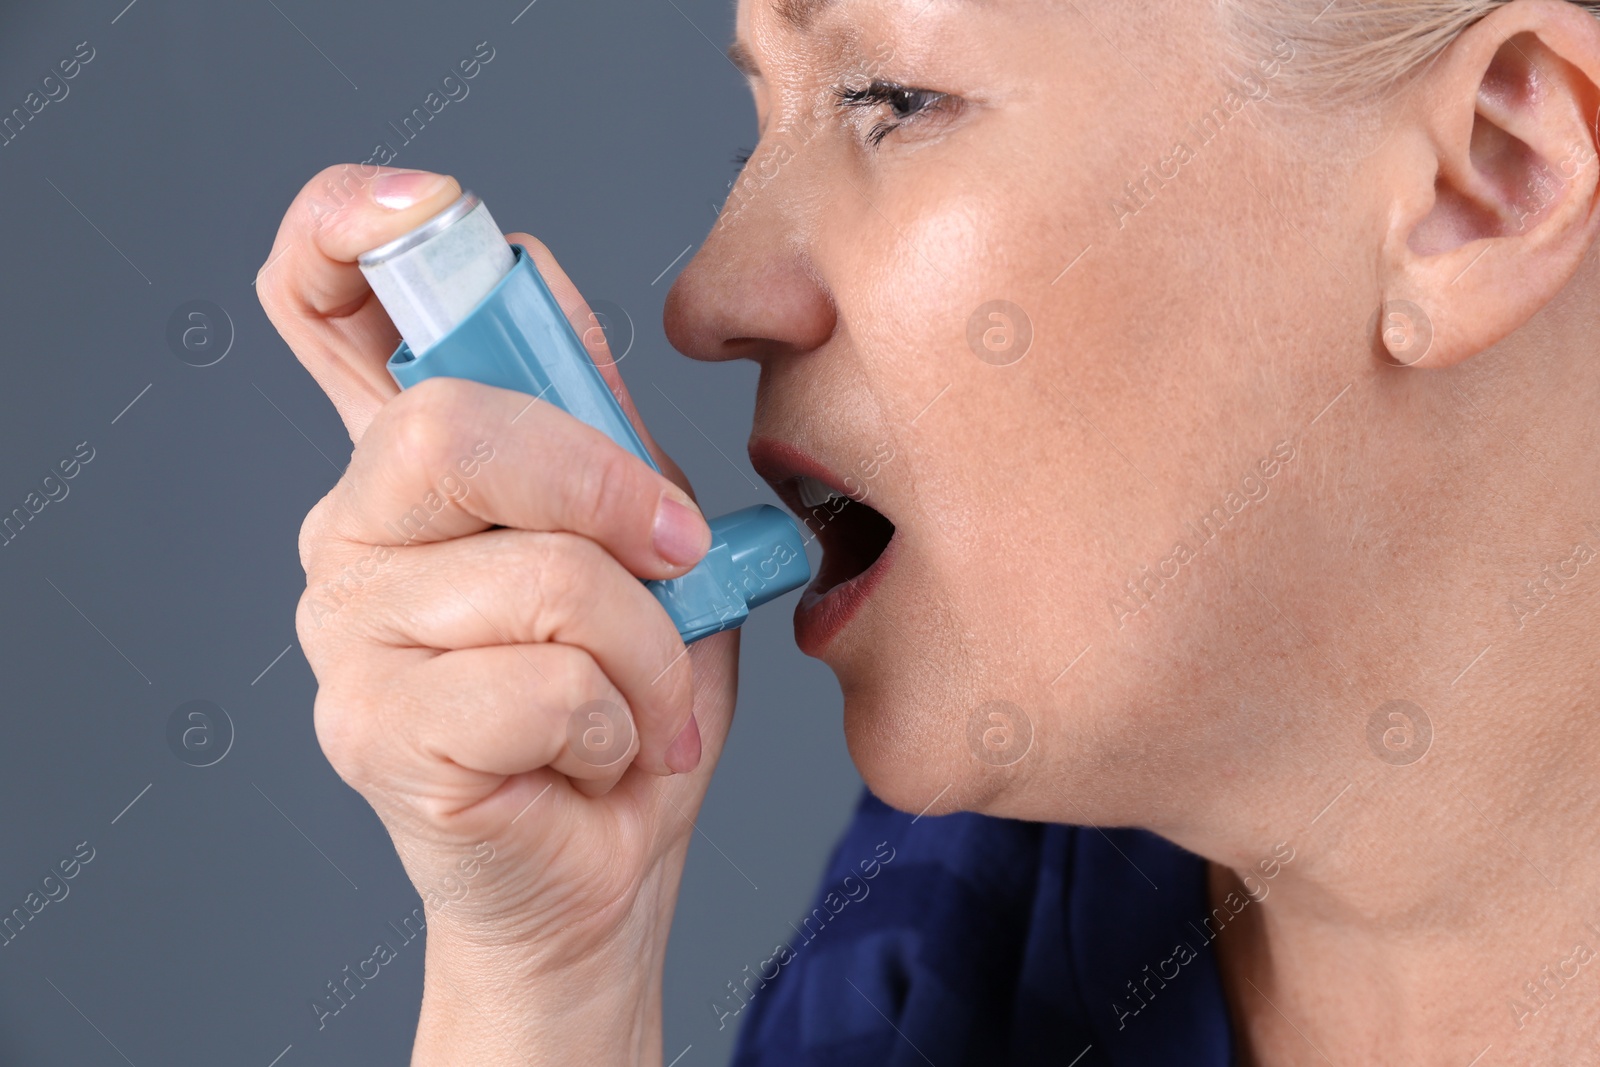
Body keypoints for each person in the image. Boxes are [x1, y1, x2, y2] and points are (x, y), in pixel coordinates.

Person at [256, 0, 1600, 1062]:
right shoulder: (929, 961)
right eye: (756, 131)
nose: (711, 298)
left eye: (892, 99)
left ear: (1491, 174)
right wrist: (548, 990)